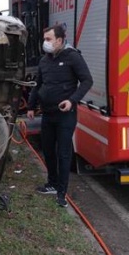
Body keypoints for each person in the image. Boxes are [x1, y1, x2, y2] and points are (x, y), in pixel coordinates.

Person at [26, 24, 93, 208]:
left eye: (48, 39)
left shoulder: (73, 57)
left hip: (65, 115)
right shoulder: (44, 60)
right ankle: (52, 184)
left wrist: (72, 100)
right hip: (47, 114)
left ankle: (62, 192)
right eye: (44, 39)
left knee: (63, 153)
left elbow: (87, 80)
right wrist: (31, 107)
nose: (45, 43)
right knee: (48, 150)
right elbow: (38, 84)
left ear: (60, 40)